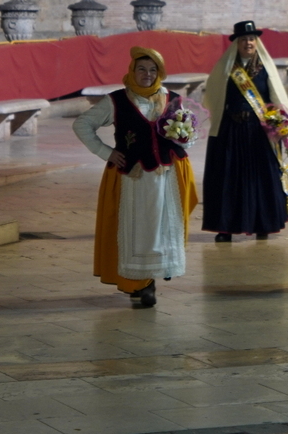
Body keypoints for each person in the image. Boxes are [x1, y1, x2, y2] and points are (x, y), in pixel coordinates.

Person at [73, 47, 200, 308]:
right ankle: (140, 283)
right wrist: (105, 152)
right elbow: (82, 124)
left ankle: (153, 275)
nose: (147, 74)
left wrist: (185, 138)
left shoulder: (172, 99)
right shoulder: (117, 100)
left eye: (153, 70)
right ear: (132, 70)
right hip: (133, 178)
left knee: (161, 229)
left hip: (167, 177)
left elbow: (187, 136)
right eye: (141, 69)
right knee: (137, 229)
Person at [202, 21, 288, 241]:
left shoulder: (266, 69)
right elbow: (213, 97)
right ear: (236, 43)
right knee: (228, 178)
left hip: (259, 132)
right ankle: (225, 227)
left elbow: (276, 97)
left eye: (252, 39)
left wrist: (281, 124)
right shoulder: (225, 69)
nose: (248, 42)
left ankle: (263, 224)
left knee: (261, 178)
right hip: (231, 131)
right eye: (244, 39)